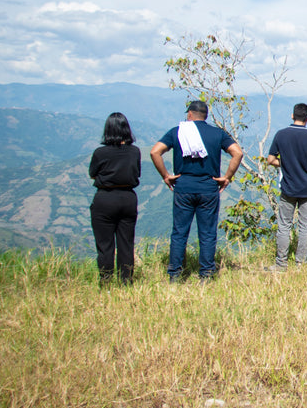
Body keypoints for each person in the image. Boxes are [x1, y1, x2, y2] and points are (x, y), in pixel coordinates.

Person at [150, 100, 244, 281]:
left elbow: (155, 152)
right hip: (208, 187)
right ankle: (206, 274)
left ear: (190, 114)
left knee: (179, 232)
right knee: (207, 233)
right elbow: (237, 153)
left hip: (183, 185)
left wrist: (166, 175)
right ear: (205, 115)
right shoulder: (217, 133)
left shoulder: (178, 131)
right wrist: (227, 177)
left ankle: (175, 275)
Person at [265, 103, 307, 272]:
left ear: (292, 116)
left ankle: (281, 263)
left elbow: (270, 159)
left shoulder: (281, 135)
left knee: (284, 225)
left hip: (288, 187)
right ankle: (300, 264)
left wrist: (284, 165)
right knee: (305, 226)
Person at [89, 112, 141, 284]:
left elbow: (92, 174)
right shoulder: (134, 152)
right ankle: (126, 281)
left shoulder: (100, 153)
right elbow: (137, 173)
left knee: (105, 246)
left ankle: (106, 281)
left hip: (105, 198)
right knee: (126, 243)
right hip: (128, 198)